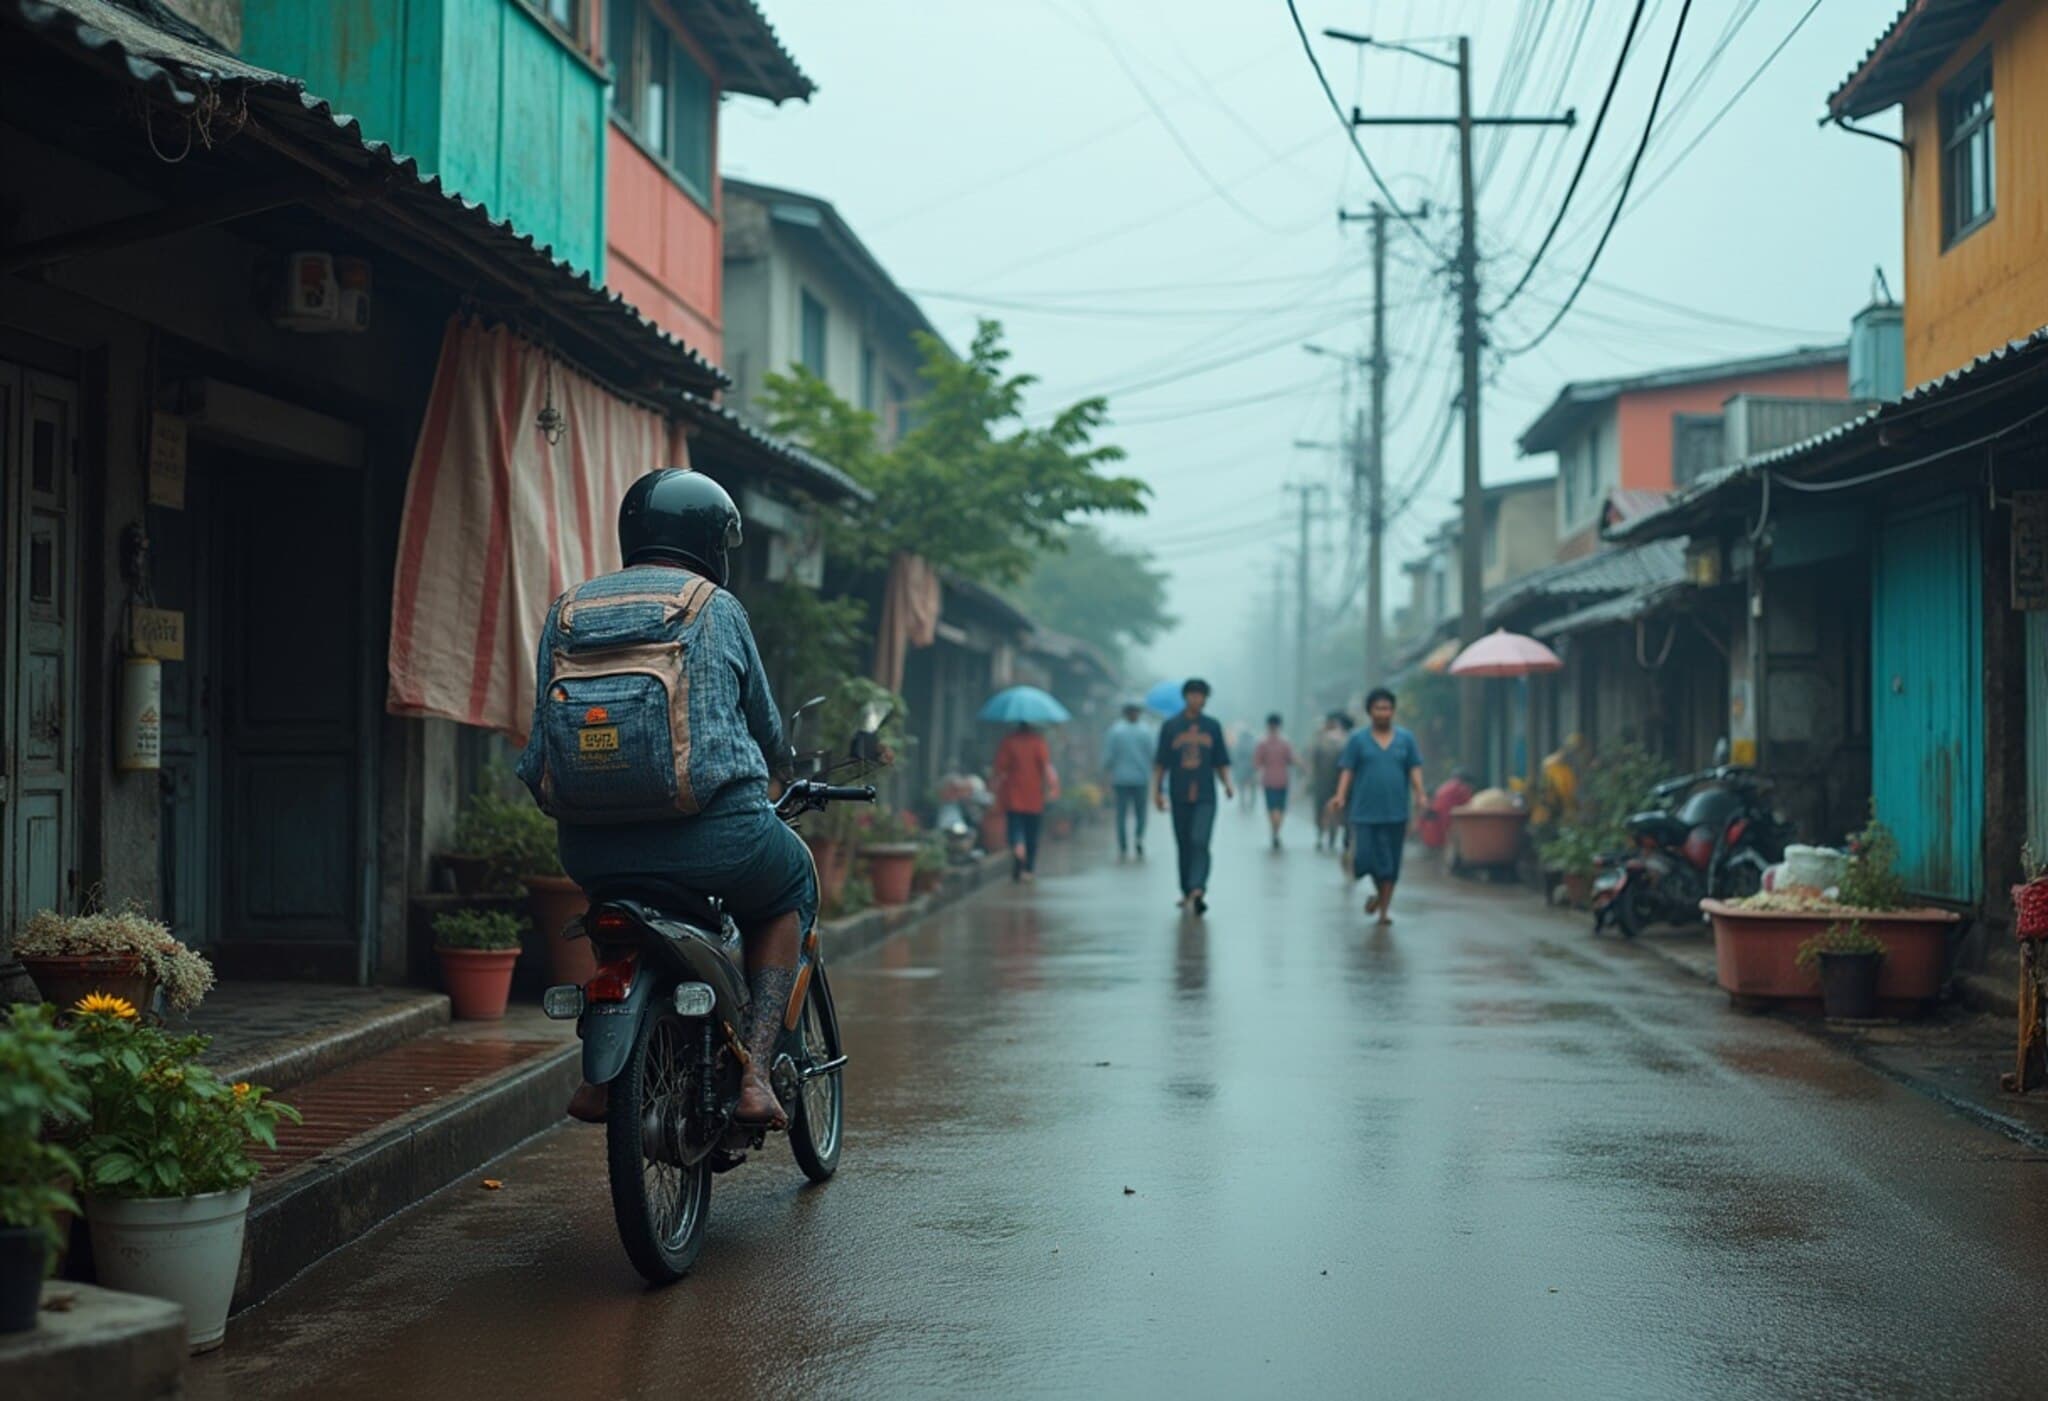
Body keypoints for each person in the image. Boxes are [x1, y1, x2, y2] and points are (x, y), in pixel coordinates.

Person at [518, 468, 809, 1129]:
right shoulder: (715, 606)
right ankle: (758, 1074)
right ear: (711, 540)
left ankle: (602, 1074)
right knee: (787, 888)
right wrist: (784, 764)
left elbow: (540, 745)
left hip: (589, 846)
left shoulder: (567, 608)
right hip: (718, 839)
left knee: (615, 905)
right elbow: (764, 726)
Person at [1327, 687, 1426, 926]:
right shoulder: (1358, 740)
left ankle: (1383, 910)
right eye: (1379, 708)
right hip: (1365, 811)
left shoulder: (1406, 739)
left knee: (1391, 863)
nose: (1384, 713)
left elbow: (1414, 768)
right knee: (1364, 860)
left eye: (1388, 708)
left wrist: (1420, 793)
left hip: (1396, 811)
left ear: (1393, 711)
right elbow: (1348, 769)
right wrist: (1340, 795)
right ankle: (1378, 894)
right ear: (1370, 712)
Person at [1154, 678, 1234, 914]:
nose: (1197, 700)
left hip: (1205, 794)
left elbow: (1220, 760)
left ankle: (1198, 887)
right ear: (1186, 697)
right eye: (1193, 695)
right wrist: (1157, 792)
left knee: (1200, 839)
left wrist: (1227, 784)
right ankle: (1186, 889)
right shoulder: (1171, 727)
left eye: (1201, 696)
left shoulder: (1212, 727)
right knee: (1184, 843)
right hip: (1179, 792)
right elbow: (1161, 763)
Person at [993, 722, 1058, 881]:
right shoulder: (1038, 742)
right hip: (1034, 796)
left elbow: (1000, 767)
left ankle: (1017, 848)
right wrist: (1051, 788)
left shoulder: (1009, 742)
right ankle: (1029, 869)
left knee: (1015, 828)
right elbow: (1045, 766)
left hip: (1013, 794)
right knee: (1032, 834)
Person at [1101, 702, 1156, 859]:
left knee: (1121, 814)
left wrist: (1104, 773)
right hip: (1140, 779)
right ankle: (1138, 838)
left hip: (1121, 779)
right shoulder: (1146, 732)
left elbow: (1108, 757)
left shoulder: (1115, 731)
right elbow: (1153, 755)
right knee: (1140, 813)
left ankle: (1123, 845)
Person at [1252, 713, 1300, 850]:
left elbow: (1257, 763)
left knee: (1271, 808)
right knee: (1281, 808)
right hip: (1283, 780)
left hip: (1268, 780)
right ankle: (1276, 831)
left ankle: (1274, 831)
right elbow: (1292, 760)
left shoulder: (1262, 743)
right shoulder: (1285, 743)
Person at [1309, 712, 1352, 852]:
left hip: (1323, 781)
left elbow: (1313, 760)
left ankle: (1321, 836)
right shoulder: (1347, 740)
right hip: (1339, 782)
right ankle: (1331, 838)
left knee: (1322, 809)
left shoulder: (1320, 739)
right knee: (1336, 810)